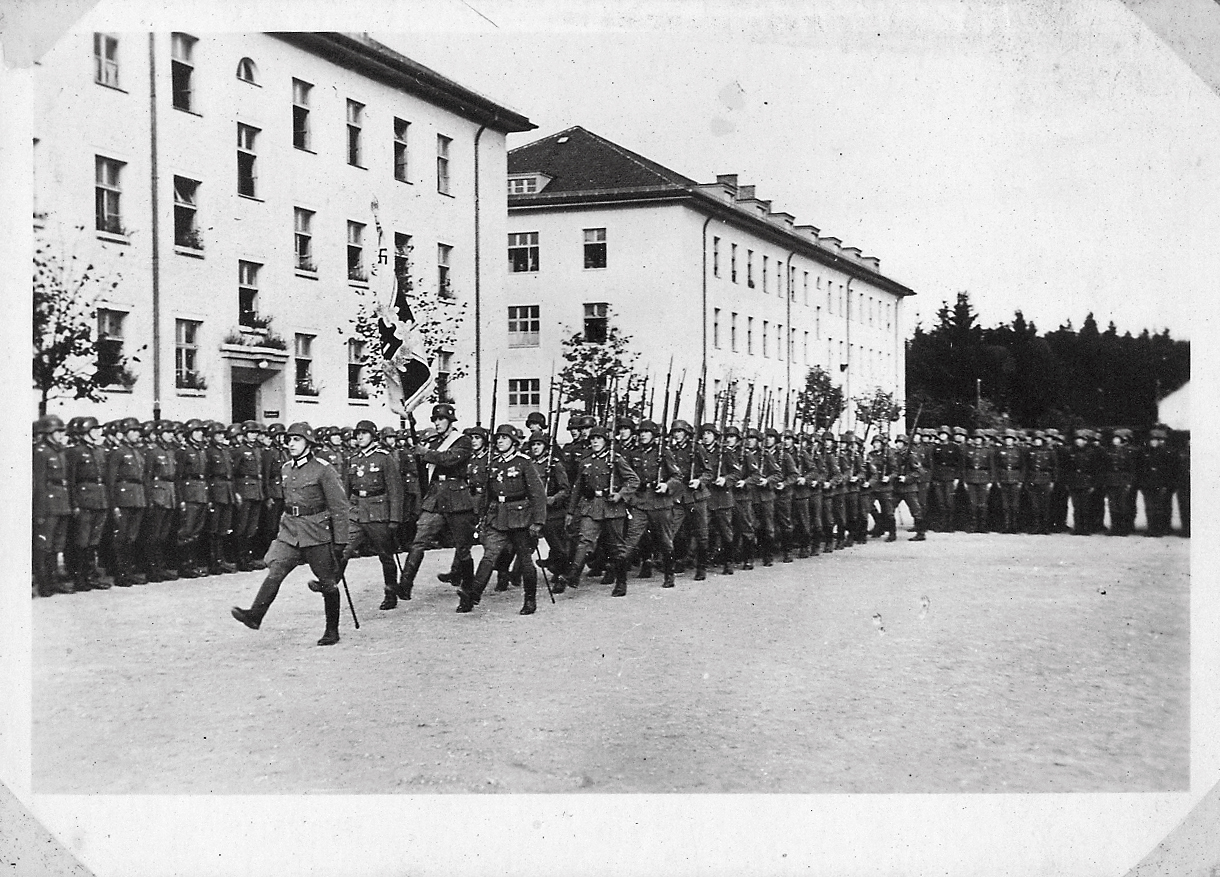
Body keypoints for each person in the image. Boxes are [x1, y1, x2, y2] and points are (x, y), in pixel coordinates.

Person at [232, 422, 350, 646]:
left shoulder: (323, 469)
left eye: (297, 440)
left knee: (327, 582)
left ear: (308, 443)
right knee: (276, 569)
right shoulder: (286, 468)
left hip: (315, 531)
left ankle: (332, 630)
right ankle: (255, 615)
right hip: (290, 530)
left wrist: (340, 541)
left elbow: (340, 507)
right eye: (289, 440)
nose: (291, 444)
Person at [458, 424, 548, 614]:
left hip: (520, 518)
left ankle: (530, 600)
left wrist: (538, 521)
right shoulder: (494, 464)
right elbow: (487, 495)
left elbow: (537, 494)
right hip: (497, 516)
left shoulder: (524, 463)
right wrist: (482, 517)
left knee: (525, 560)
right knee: (489, 555)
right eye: (498, 438)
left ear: (514, 442)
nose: (500, 441)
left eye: (504, 438)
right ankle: (473, 595)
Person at [396, 403, 477, 600]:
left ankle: (467, 589)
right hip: (434, 498)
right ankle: (405, 584)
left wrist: (424, 453)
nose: (438, 423)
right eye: (435, 420)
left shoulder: (462, 441)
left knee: (463, 547)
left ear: (450, 421)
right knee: (419, 540)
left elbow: (449, 459)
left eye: (441, 419)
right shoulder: (433, 443)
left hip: (456, 496)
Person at [563, 425, 639, 595]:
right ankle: (574, 574)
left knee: (617, 547)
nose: (595, 441)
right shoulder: (586, 462)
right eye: (592, 439)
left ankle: (621, 582)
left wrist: (620, 494)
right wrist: (570, 511)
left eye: (599, 439)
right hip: (592, 506)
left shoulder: (616, 459)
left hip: (612, 507)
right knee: (584, 540)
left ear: (606, 441)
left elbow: (633, 480)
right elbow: (577, 488)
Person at [340, 420, 405, 610]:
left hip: (378, 512)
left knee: (385, 555)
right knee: (343, 549)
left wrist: (394, 518)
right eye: (357, 434)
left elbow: (395, 490)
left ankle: (391, 592)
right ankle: (330, 583)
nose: (359, 437)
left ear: (373, 436)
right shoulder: (353, 459)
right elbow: (345, 489)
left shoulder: (384, 458)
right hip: (356, 511)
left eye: (364, 433)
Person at [623, 419, 684, 587]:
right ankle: (620, 581)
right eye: (641, 432)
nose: (643, 435)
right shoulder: (633, 453)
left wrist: (666, 485)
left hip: (660, 502)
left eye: (647, 432)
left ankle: (669, 575)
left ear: (654, 435)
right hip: (640, 501)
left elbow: (677, 476)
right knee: (631, 539)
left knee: (665, 541)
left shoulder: (663, 452)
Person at [105, 417, 148, 586]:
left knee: (131, 537)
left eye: (138, 431)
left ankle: (128, 572)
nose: (137, 434)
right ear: (124, 434)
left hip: (137, 497)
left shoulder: (136, 452)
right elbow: (111, 479)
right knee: (121, 537)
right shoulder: (119, 452)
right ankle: (120, 574)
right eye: (133, 431)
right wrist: (114, 504)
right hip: (123, 498)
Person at [32, 414, 73, 597]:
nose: (60, 434)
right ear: (48, 433)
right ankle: (44, 583)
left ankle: (54, 579)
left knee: (57, 545)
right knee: (44, 546)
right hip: (48, 505)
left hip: (61, 503)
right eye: (57, 431)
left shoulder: (59, 451)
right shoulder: (41, 452)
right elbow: (39, 483)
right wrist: (39, 510)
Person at [528, 430, 572, 590]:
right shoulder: (528, 464)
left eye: (539, 444)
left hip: (551, 513)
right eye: (533, 445)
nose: (535, 448)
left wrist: (553, 499)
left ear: (546, 447)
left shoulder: (554, 465)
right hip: (532, 512)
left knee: (558, 547)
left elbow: (565, 490)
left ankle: (562, 576)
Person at [891, 433, 927, 540]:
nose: (898, 445)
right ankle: (891, 533)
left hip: (909, 488)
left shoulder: (911, 455)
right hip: (897, 487)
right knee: (889, 509)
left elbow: (919, 471)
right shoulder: (895, 455)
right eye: (897, 442)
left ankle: (921, 533)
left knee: (916, 510)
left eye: (900, 443)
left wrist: (907, 478)